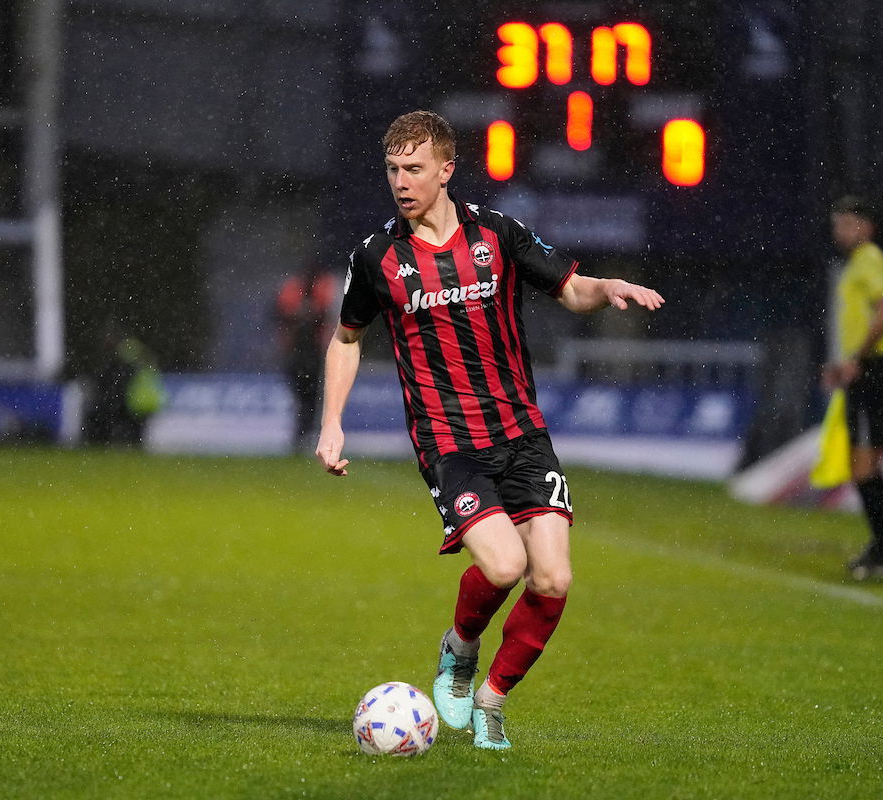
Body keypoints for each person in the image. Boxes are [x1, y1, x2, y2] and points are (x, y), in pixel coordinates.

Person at [315, 111, 663, 749]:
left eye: (414, 168)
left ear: (447, 170)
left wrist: (607, 285)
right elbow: (346, 338)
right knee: (504, 566)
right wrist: (331, 423)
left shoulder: (497, 233)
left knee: (553, 579)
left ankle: (492, 699)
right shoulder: (376, 257)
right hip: (449, 443)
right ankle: (460, 646)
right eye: (392, 169)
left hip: (523, 432)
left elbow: (572, 289)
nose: (401, 181)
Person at [823, 195, 883, 580]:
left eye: (847, 224)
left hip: (874, 371)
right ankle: (881, 547)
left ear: (866, 227)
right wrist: (843, 364)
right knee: (862, 464)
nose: (840, 232)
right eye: (837, 225)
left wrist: (857, 358)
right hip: (863, 369)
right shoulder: (856, 263)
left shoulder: (870, 259)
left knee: (865, 463)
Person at [276, 262, 340, 452]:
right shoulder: (300, 292)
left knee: (307, 396)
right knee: (307, 396)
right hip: (303, 353)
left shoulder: (305, 292)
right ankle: (304, 433)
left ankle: (304, 433)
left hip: (308, 353)